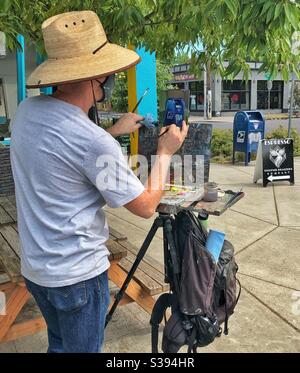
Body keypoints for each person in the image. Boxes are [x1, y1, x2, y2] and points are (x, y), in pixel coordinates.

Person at [10, 10, 188, 353]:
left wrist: (113, 131)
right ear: (97, 79)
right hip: (76, 277)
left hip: (37, 270)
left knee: (59, 347)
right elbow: (146, 206)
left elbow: (65, 155)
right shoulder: (92, 142)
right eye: (109, 75)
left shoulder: (27, 113)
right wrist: (165, 152)